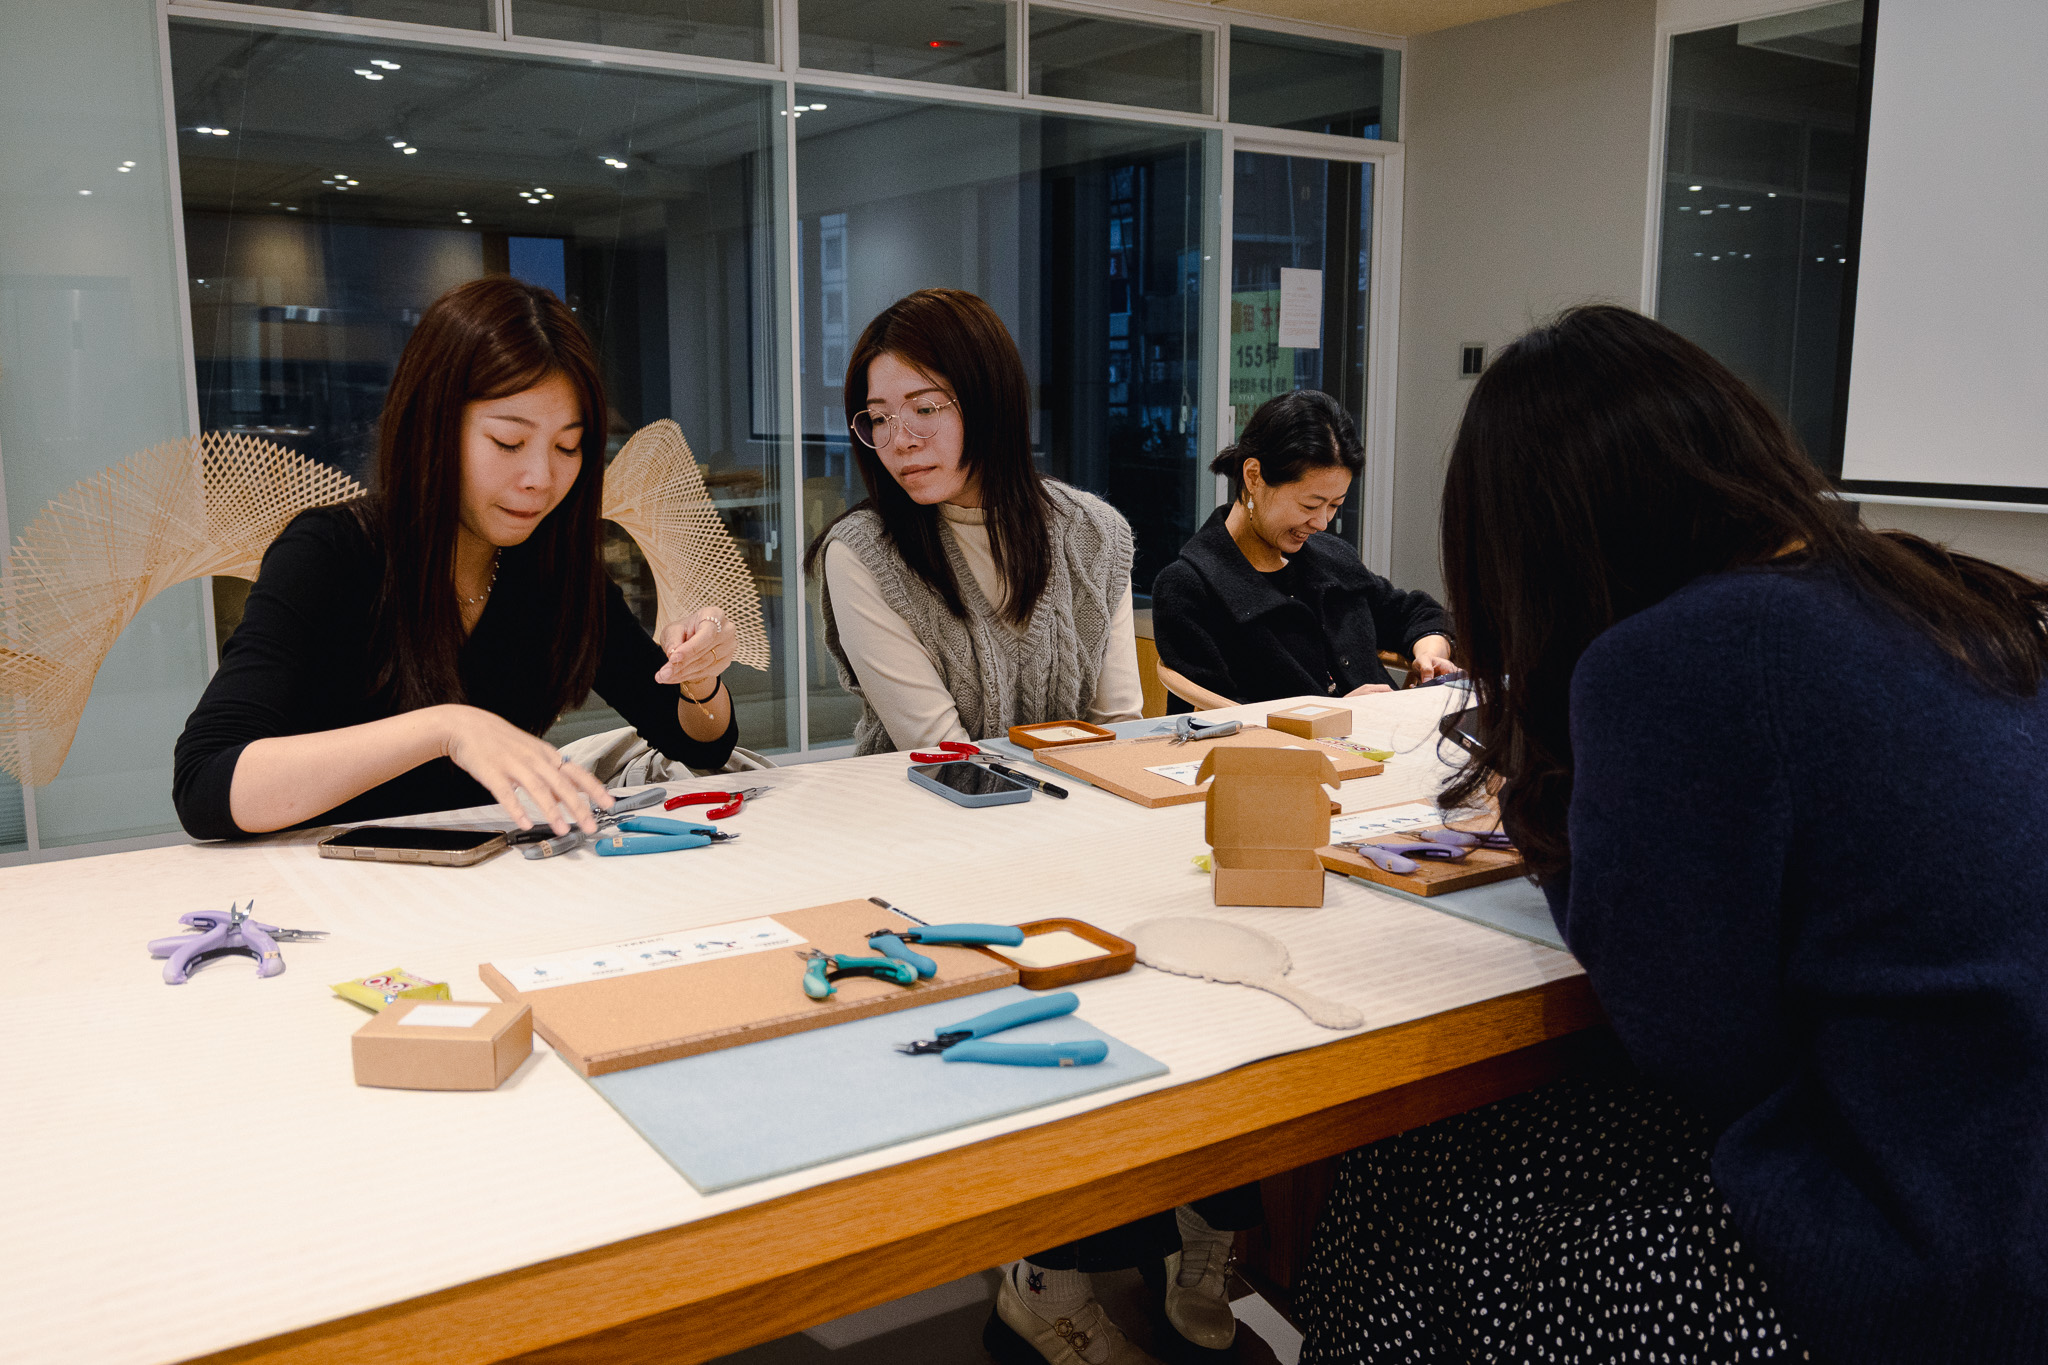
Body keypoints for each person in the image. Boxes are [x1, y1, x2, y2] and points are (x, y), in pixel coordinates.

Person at [1292, 305, 2048, 1362]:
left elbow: (1695, 1049)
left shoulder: (1680, 656)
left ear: (1539, 541)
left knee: (1406, 1180)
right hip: (1991, 1179)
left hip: (1921, 1260)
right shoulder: (1933, 590)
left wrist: (1555, 795)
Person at [174, 276, 740, 840]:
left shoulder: (552, 570)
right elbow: (205, 786)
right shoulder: (330, 555)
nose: (540, 478)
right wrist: (444, 730)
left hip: (477, 878)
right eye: (508, 442)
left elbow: (699, 744)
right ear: (434, 426)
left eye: (568, 446)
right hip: (323, 878)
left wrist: (701, 679)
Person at [808, 287, 1144, 754]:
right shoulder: (864, 553)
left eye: (924, 409)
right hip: (922, 796)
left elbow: (1119, 732)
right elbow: (944, 755)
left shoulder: (1095, 534)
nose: (900, 441)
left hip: (1076, 798)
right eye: (880, 419)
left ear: (990, 400)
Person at [1151, 389, 1456, 707]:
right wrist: (1335, 713)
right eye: (1310, 505)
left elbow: (1417, 613)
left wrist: (1430, 653)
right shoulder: (1190, 588)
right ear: (1254, 476)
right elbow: (1215, 720)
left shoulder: (1330, 558)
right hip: (1291, 741)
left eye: (1334, 505)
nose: (1322, 523)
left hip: (1387, 733)